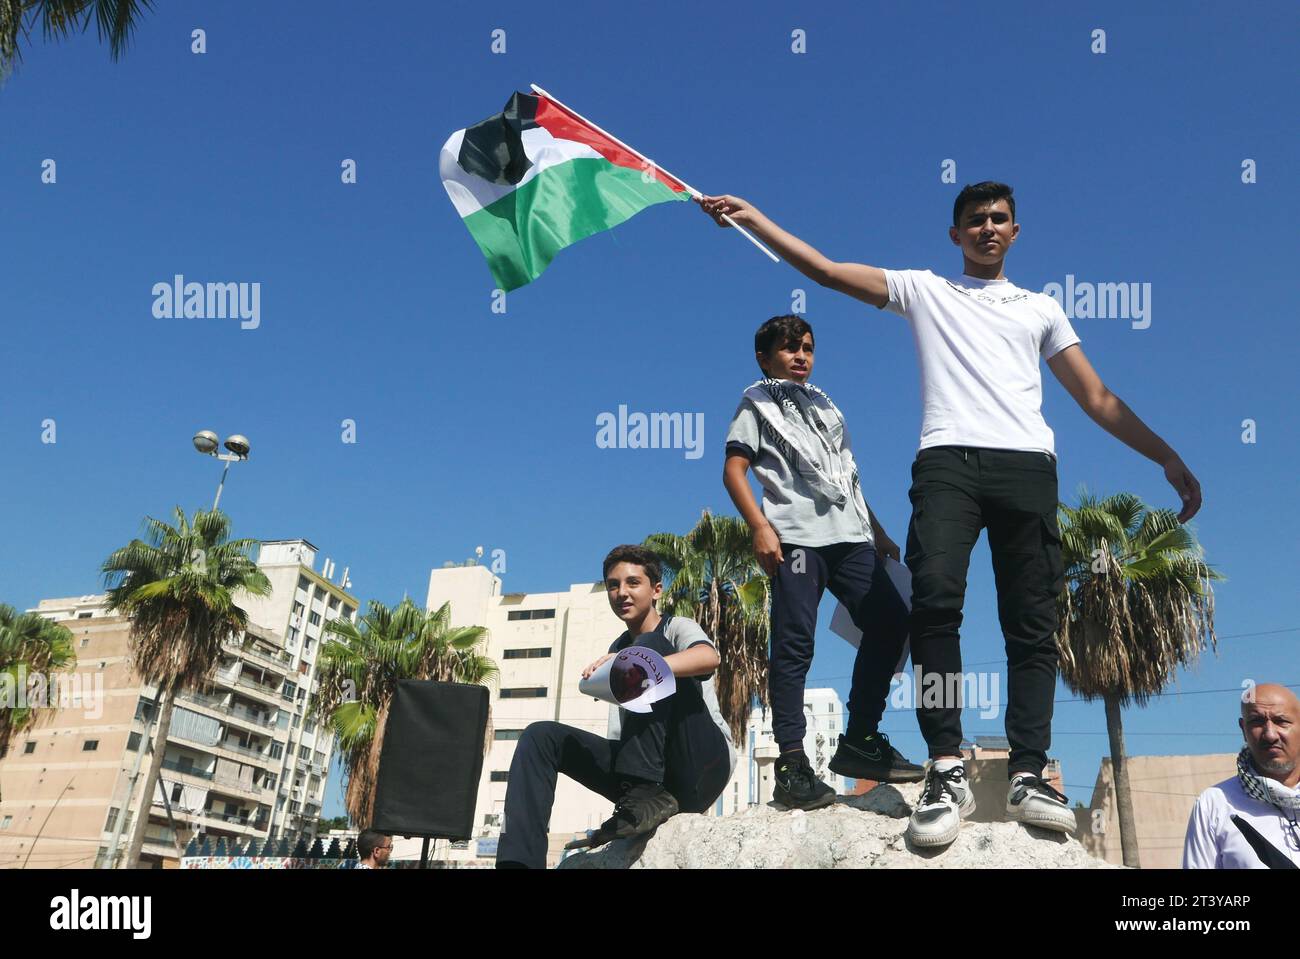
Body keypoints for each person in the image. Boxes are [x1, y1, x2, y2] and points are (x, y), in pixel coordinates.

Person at [700, 182, 1202, 848]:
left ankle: (1028, 770)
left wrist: (1165, 456)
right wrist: (756, 217)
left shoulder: (1041, 308)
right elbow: (823, 270)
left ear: (1015, 231)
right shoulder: (926, 290)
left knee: (1031, 621)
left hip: (1027, 467)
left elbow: (1097, 396)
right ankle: (945, 765)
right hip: (947, 465)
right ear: (956, 234)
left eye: (999, 219)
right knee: (933, 602)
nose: (987, 227)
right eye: (974, 220)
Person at [723, 314, 923, 811]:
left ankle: (859, 738)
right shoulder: (757, 402)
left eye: (808, 348)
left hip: (850, 538)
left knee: (893, 621)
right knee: (794, 645)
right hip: (796, 539)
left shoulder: (827, 406)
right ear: (764, 357)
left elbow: (846, 479)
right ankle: (791, 763)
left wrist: (877, 533)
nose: (801, 357)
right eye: (789, 349)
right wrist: (760, 527)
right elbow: (734, 470)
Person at [496, 545, 735, 868]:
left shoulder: (675, 627)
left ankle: (644, 794)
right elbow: (624, 738)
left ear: (656, 590)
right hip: (646, 782)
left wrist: (637, 661)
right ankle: (519, 863)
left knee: (646, 646)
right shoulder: (618, 648)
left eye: (633, 583)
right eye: (613, 584)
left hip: (701, 767)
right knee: (541, 737)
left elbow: (710, 658)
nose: (621, 592)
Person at [1184, 684, 1300, 868]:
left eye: (1281, 721)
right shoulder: (1215, 804)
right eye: (1256, 722)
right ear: (1243, 729)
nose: (1270, 734)